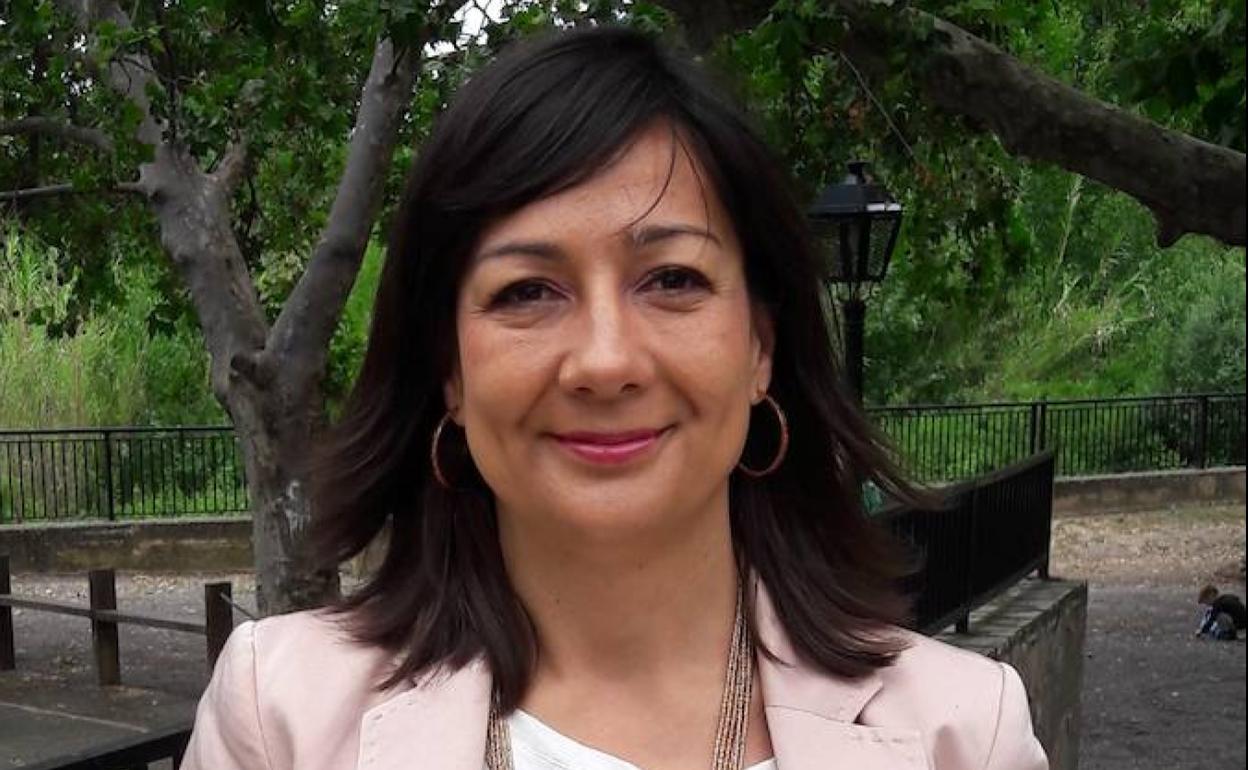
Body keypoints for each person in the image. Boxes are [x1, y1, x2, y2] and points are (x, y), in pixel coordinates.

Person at [180, 26, 1047, 770]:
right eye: (528, 291)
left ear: (760, 347)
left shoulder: (962, 735)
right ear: (449, 367)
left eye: (672, 279)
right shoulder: (281, 720)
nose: (605, 361)